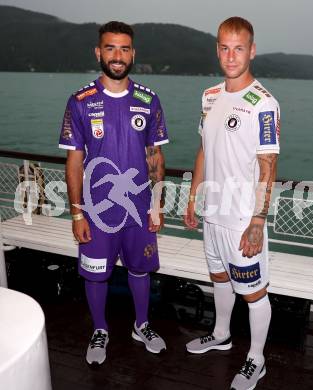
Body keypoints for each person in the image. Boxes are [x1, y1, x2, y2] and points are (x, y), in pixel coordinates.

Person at [58, 21, 169, 365]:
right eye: (110, 48)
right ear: (98, 52)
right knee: (97, 272)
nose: (117, 56)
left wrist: (157, 204)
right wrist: (77, 213)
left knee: (140, 268)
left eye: (124, 49)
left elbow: (155, 156)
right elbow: (75, 161)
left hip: (138, 208)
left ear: (133, 53)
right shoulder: (80, 101)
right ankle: (100, 329)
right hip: (97, 208)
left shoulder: (148, 100)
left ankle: (141, 323)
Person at [184, 16, 280, 390]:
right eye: (224, 47)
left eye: (239, 48)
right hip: (212, 212)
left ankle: (257, 359)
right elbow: (204, 151)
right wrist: (193, 196)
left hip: (242, 218)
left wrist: (258, 219)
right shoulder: (209, 96)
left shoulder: (264, 103)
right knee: (219, 278)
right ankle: (221, 334)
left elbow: (268, 165)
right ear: (217, 50)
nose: (231, 55)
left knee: (254, 293)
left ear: (252, 51)